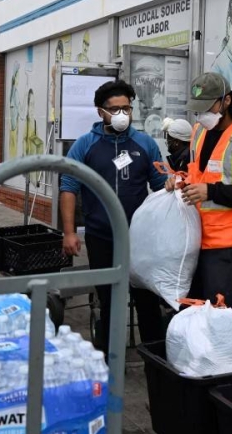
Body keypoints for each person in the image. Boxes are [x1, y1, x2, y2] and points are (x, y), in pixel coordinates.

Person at [60, 79, 168, 354]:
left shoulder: (145, 144)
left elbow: (161, 188)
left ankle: (154, 363)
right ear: (101, 112)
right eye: (115, 109)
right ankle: (111, 362)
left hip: (140, 239)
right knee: (109, 302)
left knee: (147, 302)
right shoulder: (85, 145)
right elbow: (69, 187)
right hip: (101, 237)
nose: (122, 114)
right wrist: (69, 232)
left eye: (127, 108)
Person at [167, 72, 232, 312]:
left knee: (219, 316)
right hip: (195, 239)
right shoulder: (199, 131)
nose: (201, 115)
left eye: (207, 107)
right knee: (191, 311)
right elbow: (196, 174)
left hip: (228, 247)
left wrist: (211, 192)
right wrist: (179, 181)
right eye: (197, 110)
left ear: (226, 101)